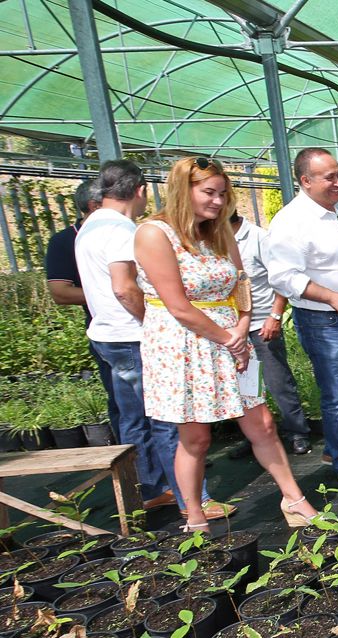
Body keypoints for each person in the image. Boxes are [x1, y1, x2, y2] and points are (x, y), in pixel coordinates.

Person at [133, 156, 319, 533]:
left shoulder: (219, 233)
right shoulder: (154, 234)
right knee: (195, 435)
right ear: (183, 190)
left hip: (232, 339)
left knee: (263, 424)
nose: (218, 202)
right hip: (184, 345)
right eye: (208, 193)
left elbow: (241, 285)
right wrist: (228, 338)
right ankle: (195, 517)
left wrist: (244, 325)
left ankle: (294, 500)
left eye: (222, 194)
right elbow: (177, 306)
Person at [75, 159, 234, 521]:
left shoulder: (87, 228)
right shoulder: (124, 230)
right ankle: (190, 501)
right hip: (136, 335)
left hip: (104, 334)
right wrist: (157, 323)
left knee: (132, 419)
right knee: (171, 424)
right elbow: (125, 288)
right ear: (141, 191)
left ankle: (148, 490)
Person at [266, 148, 338, 490]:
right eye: (330, 177)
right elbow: (283, 276)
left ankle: (336, 448)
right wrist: (331, 296)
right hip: (324, 321)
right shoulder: (291, 221)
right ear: (305, 181)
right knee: (337, 393)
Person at [229, 210, 312, 457]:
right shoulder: (210, 239)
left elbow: (280, 278)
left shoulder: (258, 238)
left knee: (278, 382)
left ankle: (297, 432)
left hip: (261, 324)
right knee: (245, 387)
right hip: (232, 330)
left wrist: (275, 316)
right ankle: (254, 435)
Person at [46, 179, 119, 435]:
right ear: (93, 205)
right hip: (109, 334)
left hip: (144, 328)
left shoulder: (126, 233)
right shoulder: (65, 242)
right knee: (122, 402)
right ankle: (138, 465)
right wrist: (111, 294)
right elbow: (61, 292)